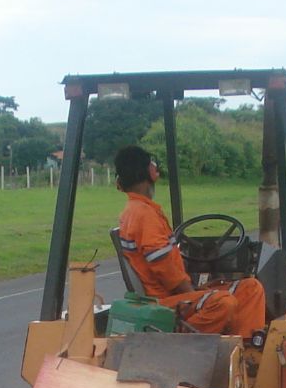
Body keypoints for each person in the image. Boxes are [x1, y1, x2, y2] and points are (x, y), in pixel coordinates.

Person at [113, 144, 267, 340]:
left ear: (119, 181)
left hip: (174, 295)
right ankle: (176, 339)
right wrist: (192, 291)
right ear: (151, 172)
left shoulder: (138, 210)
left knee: (251, 289)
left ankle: (246, 353)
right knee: (222, 302)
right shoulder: (143, 214)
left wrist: (197, 291)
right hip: (163, 301)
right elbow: (165, 267)